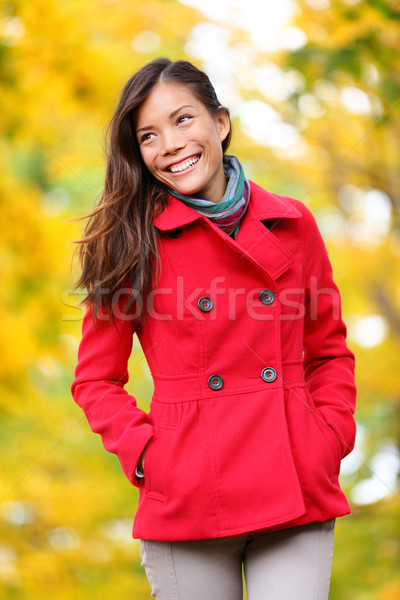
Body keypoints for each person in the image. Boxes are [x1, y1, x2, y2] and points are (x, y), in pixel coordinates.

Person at [71, 57, 357, 600]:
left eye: (183, 120)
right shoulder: (130, 244)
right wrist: (151, 460)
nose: (170, 145)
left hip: (294, 478)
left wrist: (330, 436)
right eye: (148, 135)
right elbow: (95, 382)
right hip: (187, 497)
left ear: (220, 123)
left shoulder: (293, 224)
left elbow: (328, 353)